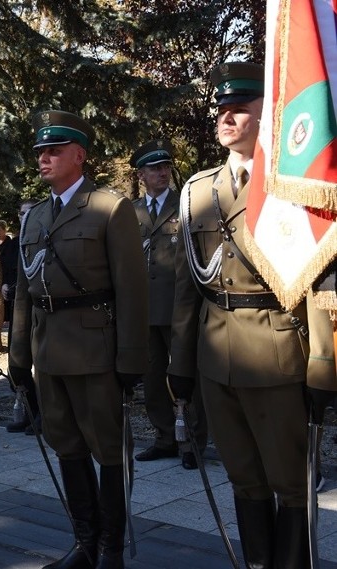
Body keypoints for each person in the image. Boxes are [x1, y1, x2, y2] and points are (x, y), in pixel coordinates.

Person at [168, 62, 337, 567]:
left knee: (290, 481)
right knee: (243, 476)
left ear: (269, 118)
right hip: (215, 357)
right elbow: (186, 288)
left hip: (278, 353)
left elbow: (321, 279)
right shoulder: (198, 190)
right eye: (221, 108)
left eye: (240, 107)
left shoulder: (294, 188)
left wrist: (324, 365)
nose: (226, 116)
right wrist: (180, 363)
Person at [9, 110, 148, 568]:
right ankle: (85, 544)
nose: (43, 159)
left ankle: (111, 548)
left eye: (53, 151)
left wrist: (131, 356)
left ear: (79, 155)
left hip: (95, 350)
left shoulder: (110, 207)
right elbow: (25, 294)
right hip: (49, 353)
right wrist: (18, 356)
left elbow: (132, 288)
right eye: (39, 152)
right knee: (65, 446)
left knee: (107, 449)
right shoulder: (34, 218)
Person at [129, 140, 207, 471]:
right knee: (152, 377)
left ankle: (192, 442)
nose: (162, 173)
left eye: (165, 167)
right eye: (154, 168)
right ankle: (164, 437)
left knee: (186, 374)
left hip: (180, 309)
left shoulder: (187, 205)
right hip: (145, 311)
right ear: (142, 174)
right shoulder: (130, 212)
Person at [5, 199, 42, 435]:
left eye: (29, 213)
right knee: (17, 364)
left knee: (41, 365)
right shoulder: (16, 242)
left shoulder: (42, 237)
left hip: (39, 308)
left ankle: (42, 416)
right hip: (19, 308)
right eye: (20, 213)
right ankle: (29, 412)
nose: (24, 217)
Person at [0, 219, 19, 323]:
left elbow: (9, 265)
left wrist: (6, 282)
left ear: (5, 230)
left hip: (7, 281)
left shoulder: (10, 245)